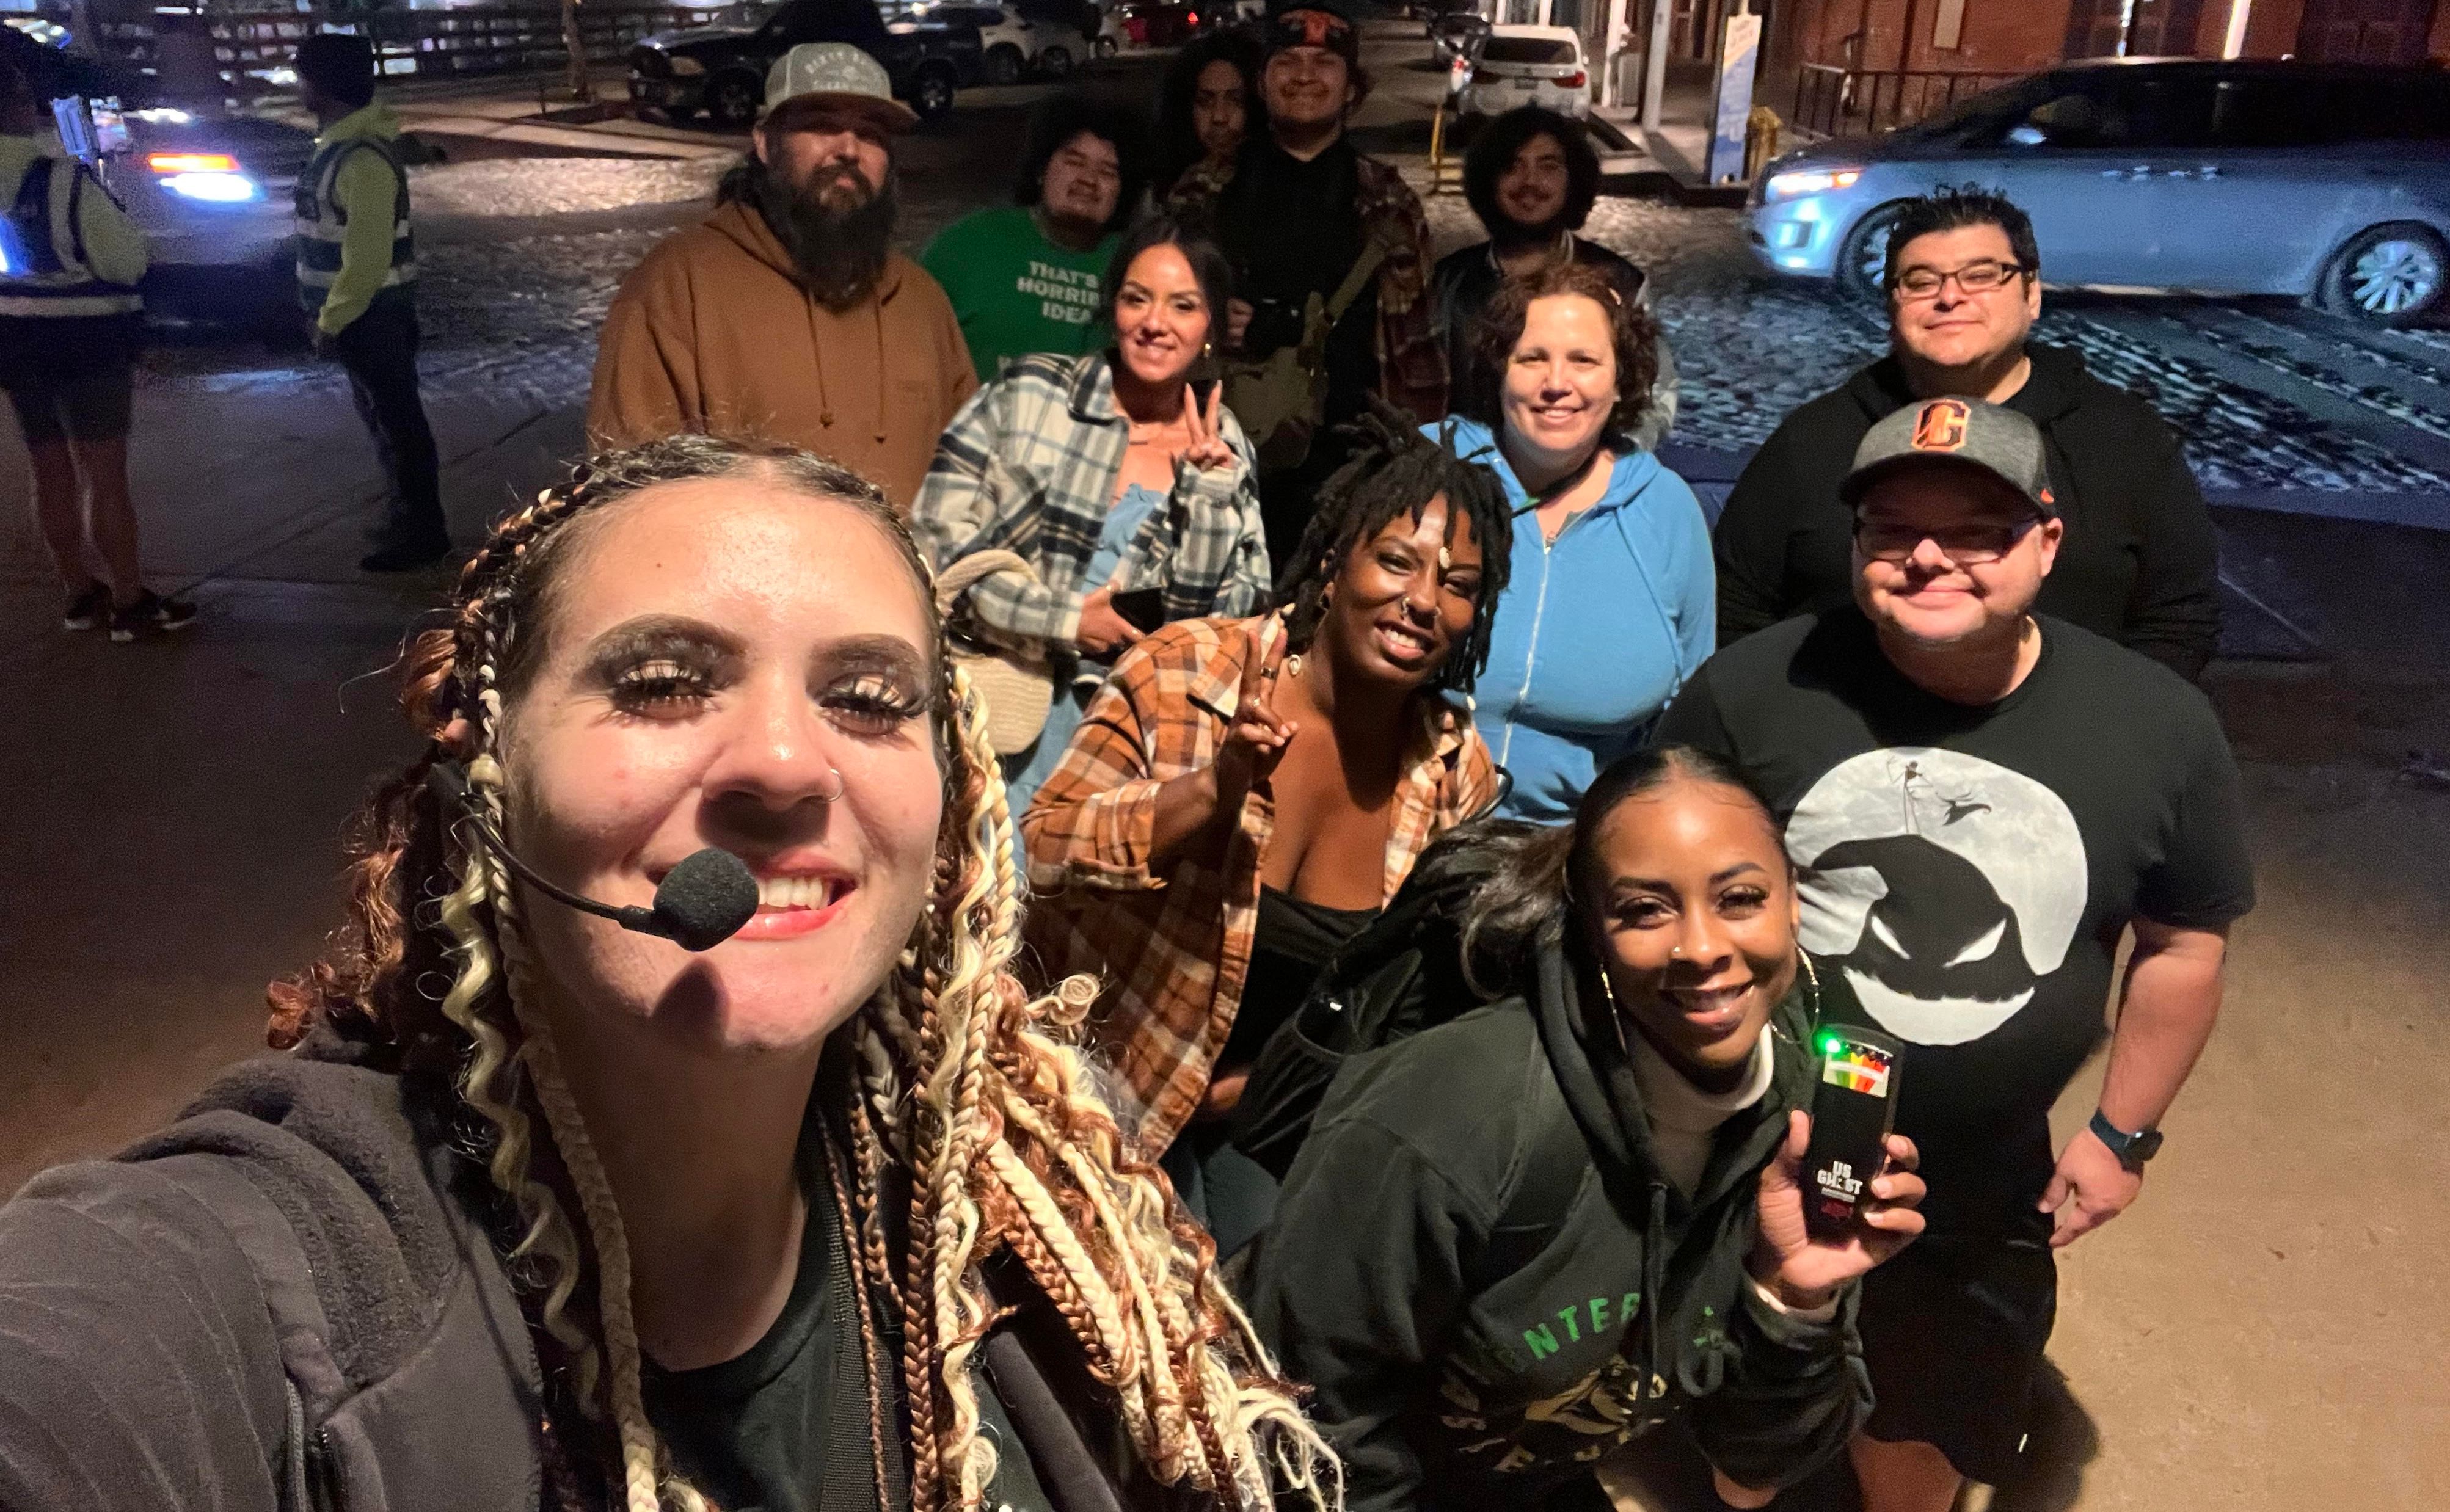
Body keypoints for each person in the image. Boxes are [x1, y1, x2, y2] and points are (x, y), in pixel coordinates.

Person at [0, 435, 1335, 1512]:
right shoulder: (279, 1273)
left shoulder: (1016, 1208)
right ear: (487, 766)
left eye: (867, 698)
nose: (785, 762)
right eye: (659, 680)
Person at [1657, 397, 2255, 1510]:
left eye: (1974, 528)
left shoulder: (2156, 726)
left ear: (2046, 541)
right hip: (1750, 1140)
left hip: (1977, 1180)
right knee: (1743, 1440)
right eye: (1891, 527)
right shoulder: (1751, 693)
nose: (1927, 554)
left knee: (1923, 1427)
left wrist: (2122, 1134)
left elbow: (2180, 943)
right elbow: (1642, 889)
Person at [1246, 747, 1929, 1512]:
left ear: (1794, 902)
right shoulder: (1447, 1120)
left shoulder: (1804, 1112)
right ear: (1592, 928)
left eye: (1740, 898)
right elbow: (1294, 1435)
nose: (1702, 948)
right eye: (1644, 909)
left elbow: (1751, 1475)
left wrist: (1793, 1302)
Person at [1019, 416, 1511, 1254]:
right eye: (1394, 560)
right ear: (1331, 565)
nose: (1422, 599)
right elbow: (1041, 851)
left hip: (1274, 1116)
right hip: (1099, 1093)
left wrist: (1281, 1086)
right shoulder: (1185, 673)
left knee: (1261, 1344)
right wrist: (1209, 792)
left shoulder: (1449, 770)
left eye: (1457, 584)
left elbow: (1413, 1000)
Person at [1713, 186, 2221, 679]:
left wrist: (2118, 733)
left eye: (1981, 276)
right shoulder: (1813, 439)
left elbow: (2177, 615)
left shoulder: (2123, 438)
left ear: (2032, 294)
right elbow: (1737, 603)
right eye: (1920, 280)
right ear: (1892, 305)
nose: (1949, 296)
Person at [915, 217, 1269, 812]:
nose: (1155, 324)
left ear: (1210, 325)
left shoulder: (1225, 443)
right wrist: (1064, 619)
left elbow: (1227, 624)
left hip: (1134, 740)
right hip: (998, 710)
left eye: (1183, 306)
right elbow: (933, 548)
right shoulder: (1031, 393)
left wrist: (1207, 504)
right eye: (1137, 300)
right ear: (1113, 307)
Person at [589, 44, 974, 511]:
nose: (849, 149)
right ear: (764, 143)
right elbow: (631, 502)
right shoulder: (676, 287)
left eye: (871, 133)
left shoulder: (921, 301)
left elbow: (965, 479)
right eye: (821, 125)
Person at [1170, 0, 1446, 567]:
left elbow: (1417, 360)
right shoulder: (1202, 194)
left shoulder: (1390, 206)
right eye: (1287, 60)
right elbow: (1155, 329)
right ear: (1263, 81)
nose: (1303, 75)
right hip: (1214, 475)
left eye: (1324, 63)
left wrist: (1413, 478)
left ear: (1351, 88)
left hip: (1350, 484)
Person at [1442, 259, 1712, 823]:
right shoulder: (1428, 474)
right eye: (1532, 358)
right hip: (1403, 827)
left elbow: (1687, 719)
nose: (1556, 383)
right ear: (1499, 372)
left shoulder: (1665, 510)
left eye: (1584, 361)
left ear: (1621, 382)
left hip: (1575, 847)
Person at [0, 55, 192, 639]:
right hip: (84, 339)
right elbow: (126, 261)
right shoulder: (62, 180)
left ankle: (79, 596)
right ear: (17, 105)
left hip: (13, 338)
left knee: (48, 471)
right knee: (103, 474)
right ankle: (130, 605)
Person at [1430, 105, 1675, 453]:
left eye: (1548, 166)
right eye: (1512, 166)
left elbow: (1653, 400)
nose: (1530, 181)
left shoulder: (1623, 285)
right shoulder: (1445, 285)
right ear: (1489, 180)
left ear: (1573, 180)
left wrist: (1603, 471)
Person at [293, 32, 451, 573]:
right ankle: (408, 518)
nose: (298, 87)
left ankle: (422, 531)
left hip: (371, 315)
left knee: (398, 425)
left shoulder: (358, 160)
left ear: (323, 85)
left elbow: (365, 257)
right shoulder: (345, 150)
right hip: (368, 312)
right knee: (388, 423)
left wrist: (331, 320)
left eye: (303, 77)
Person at [921, 95, 1142, 384]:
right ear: (1041, 170)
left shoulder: (1136, 266)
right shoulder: (969, 245)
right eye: (1074, 161)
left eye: (1107, 171)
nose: (1088, 179)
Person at [1149, 31, 1261, 202]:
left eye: (1235, 100)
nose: (1219, 117)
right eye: (1205, 102)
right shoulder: (1162, 197)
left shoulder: (1278, 187)